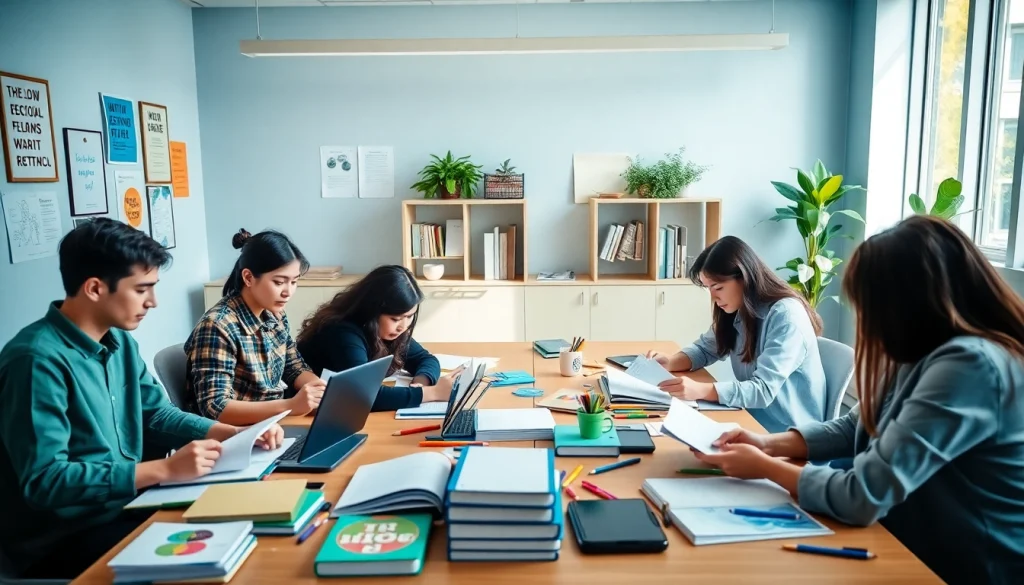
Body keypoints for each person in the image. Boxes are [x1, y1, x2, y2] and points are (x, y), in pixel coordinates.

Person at [692, 216, 1024, 585]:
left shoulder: (969, 365)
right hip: (910, 539)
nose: (868, 319)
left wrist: (767, 467)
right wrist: (766, 444)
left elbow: (863, 493)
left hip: (964, 564)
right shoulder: (925, 350)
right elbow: (857, 423)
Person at [0, 218, 283, 579]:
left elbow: (156, 415)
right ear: (94, 288)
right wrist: (163, 469)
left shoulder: (119, 344)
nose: (153, 301)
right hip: (64, 538)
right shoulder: (35, 360)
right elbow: (46, 480)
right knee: (227, 561)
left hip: (129, 506)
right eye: (142, 289)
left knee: (256, 526)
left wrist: (227, 433)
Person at [646, 235, 827, 432]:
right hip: (749, 419)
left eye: (718, 288)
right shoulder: (738, 309)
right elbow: (705, 349)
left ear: (744, 277)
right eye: (709, 289)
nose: (714, 298)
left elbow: (763, 390)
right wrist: (671, 362)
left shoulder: (786, 316)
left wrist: (701, 390)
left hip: (788, 435)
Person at [184, 228, 325, 426]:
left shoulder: (275, 314)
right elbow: (215, 406)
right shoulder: (217, 326)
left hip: (274, 423)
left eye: (294, 282)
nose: (288, 292)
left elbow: (293, 366)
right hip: (236, 434)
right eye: (279, 282)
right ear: (248, 278)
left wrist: (320, 391)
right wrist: (291, 405)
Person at [296, 265, 456, 411]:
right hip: (306, 414)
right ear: (372, 311)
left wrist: (421, 383)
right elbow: (364, 396)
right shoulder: (342, 332)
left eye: (409, 317)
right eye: (395, 319)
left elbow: (425, 359)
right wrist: (433, 393)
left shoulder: (386, 330)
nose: (403, 326)